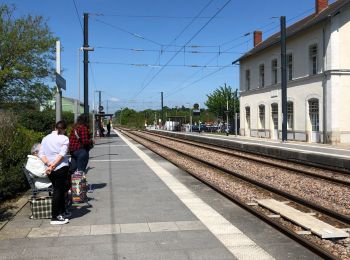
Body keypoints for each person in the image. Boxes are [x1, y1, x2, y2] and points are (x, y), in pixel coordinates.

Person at [39, 120, 70, 225]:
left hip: (49, 170)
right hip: (60, 168)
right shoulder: (64, 138)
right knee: (58, 191)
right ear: (64, 129)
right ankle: (55, 217)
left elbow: (41, 154)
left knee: (58, 190)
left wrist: (48, 164)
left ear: (55, 127)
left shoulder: (45, 138)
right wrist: (53, 165)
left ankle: (61, 213)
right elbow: (62, 154)